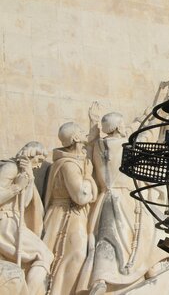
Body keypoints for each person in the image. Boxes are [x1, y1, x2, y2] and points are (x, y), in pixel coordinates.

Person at [80, 103, 160, 295]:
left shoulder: (97, 146)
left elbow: (91, 142)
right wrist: (157, 117)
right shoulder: (127, 146)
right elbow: (143, 137)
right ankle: (149, 268)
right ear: (117, 127)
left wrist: (94, 124)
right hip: (127, 197)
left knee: (107, 240)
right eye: (122, 124)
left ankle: (99, 279)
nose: (125, 127)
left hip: (105, 198)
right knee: (149, 229)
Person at [43, 123, 98, 295]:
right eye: (81, 132)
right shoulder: (69, 165)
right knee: (75, 255)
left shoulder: (74, 161)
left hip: (70, 213)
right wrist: (88, 175)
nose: (84, 134)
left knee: (75, 255)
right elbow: (81, 196)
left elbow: (89, 148)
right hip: (66, 215)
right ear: (75, 138)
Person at [0, 142, 53, 295]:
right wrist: (16, 187)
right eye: (39, 159)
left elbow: (24, 204)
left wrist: (29, 178)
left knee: (44, 256)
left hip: (14, 220)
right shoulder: (10, 168)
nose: (39, 165)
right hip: (5, 222)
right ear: (30, 155)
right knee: (43, 254)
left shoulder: (25, 172)